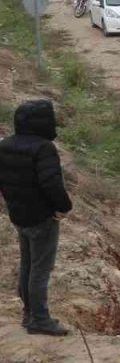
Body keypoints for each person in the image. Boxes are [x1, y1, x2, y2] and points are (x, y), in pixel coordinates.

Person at [0, 100, 73, 336]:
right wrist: (63, 207)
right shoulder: (44, 149)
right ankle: (39, 319)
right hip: (43, 217)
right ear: (44, 123)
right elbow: (51, 182)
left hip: (19, 215)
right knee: (41, 269)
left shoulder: (5, 145)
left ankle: (28, 314)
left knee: (27, 265)